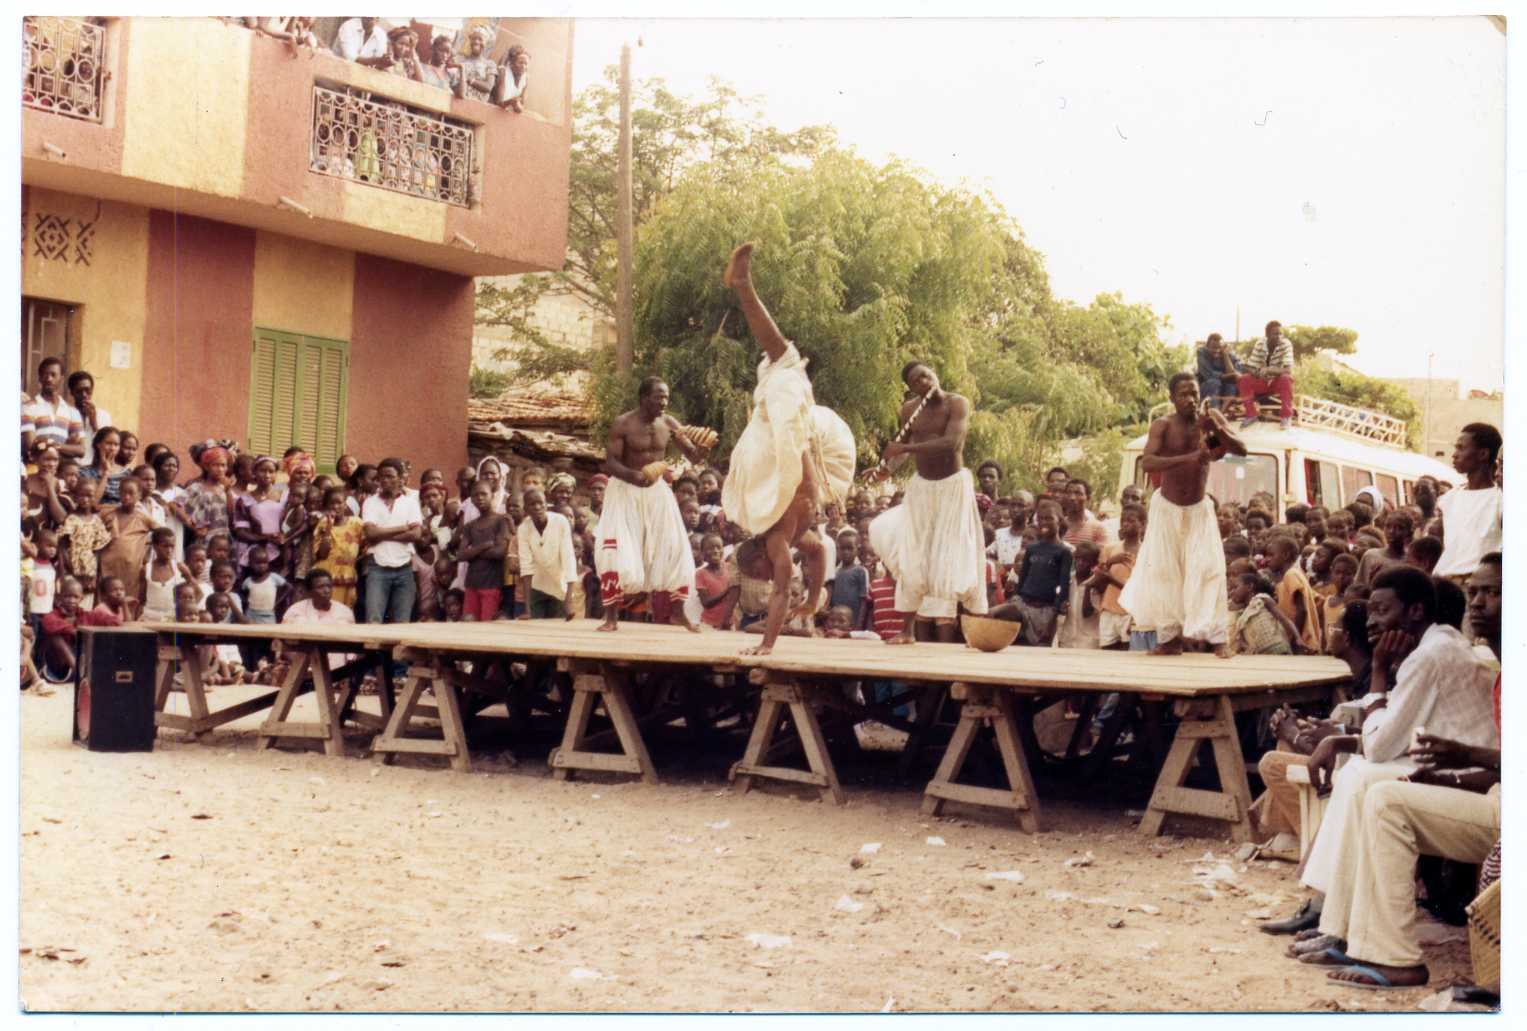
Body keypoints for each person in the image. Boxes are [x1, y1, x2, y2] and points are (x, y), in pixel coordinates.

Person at [1301, 555, 1502, 989]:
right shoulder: (1441, 647)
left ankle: (1385, 950)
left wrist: (1376, 674)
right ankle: (1340, 927)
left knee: (1376, 789)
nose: (1372, 623)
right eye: (1476, 594)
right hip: (1480, 785)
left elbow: (1379, 744)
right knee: (1362, 780)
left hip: (1490, 798)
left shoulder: (1431, 654)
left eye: (1382, 611)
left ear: (1415, 612)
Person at [719, 244, 858, 652]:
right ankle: (744, 289)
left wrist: (767, 644)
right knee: (784, 366)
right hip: (824, 446)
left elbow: (780, 593)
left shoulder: (777, 539)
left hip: (807, 445)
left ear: (758, 558)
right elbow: (817, 557)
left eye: (763, 572)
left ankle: (743, 287)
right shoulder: (798, 539)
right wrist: (813, 599)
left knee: (784, 359)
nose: (773, 575)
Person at [1119, 373, 1247, 656]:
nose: (1190, 399)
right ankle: (1169, 640)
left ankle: (1218, 639)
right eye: (1183, 394)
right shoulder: (1163, 425)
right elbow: (1149, 460)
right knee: (1165, 574)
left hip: (1199, 509)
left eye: (1194, 393)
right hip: (1167, 509)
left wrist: (1216, 429)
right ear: (1172, 398)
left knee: (1209, 570)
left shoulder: (1210, 418)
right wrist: (1190, 457)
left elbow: (1239, 449)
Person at [866, 360, 988, 643]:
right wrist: (885, 469)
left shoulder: (957, 404)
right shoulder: (909, 410)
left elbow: (952, 443)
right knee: (913, 552)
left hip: (953, 487)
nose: (923, 382)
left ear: (934, 373)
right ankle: (906, 631)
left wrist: (906, 447)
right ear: (910, 389)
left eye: (925, 375)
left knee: (960, 553)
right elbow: (900, 454)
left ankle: (977, 628)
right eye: (916, 382)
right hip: (922, 488)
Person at [595, 376, 713, 633]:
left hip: (657, 492)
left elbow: (692, 455)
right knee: (615, 549)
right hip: (625, 491)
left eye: (666, 397)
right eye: (658, 396)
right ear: (643, 398)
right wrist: (633, 475)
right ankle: (611, 617)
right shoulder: (623, 424)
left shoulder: (669, 423)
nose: (664, 402)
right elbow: (610, 463)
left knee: (675, 546)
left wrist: (702, 451)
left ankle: (678, 612)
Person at [1433, 423, 1502, 629]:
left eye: (1461, 448)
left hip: (1476, 590)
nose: (1454, 455)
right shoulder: (1449, 499)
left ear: (1482, 454)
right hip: (1443, 587)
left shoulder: (1500, 499)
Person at [995, 499, 1071, 646]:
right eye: (1041, 519)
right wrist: (1017, 597)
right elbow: (1023, 579)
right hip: (1023, 603)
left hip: (1045, 609)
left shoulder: (1063, 551)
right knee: (1001, 616)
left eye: (1049, 518)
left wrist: (1057, 610)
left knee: (1036, 646)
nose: (1044, 522)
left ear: (1059, 521)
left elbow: (1063, 585)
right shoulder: (1032, 549)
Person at [361, 458, 424, 624]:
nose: (385, 480)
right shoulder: (370, 502)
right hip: (378, 567)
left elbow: (416, 535)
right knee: (373, 619)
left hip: (404, 568)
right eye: (381, 477)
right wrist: (402, 528)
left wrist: (380, 534)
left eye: (390, 476)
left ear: (400, 479)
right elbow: (370, 533)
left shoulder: (410, 503)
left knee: (402, 622)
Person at [516, 488, 578, 620]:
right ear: (526, 508)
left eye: (540, 503)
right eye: (532, 504)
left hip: (560, 587)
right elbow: (526, 567)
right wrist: (527, 610)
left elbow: (568, 558)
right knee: (535, 630)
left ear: (546, 504)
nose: (537, 507)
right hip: (537, 587)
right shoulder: (523, 529)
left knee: (557, 631)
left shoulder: (560, 522)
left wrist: (568, 600)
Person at [1092, 501, 1144, 649]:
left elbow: (1138, 590)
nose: (1125, 524)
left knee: (1128, 651)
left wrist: (1111, 578)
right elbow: (1098, 580)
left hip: (1130, 612)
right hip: (1109, 609)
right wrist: (1109, 562)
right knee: (1106, 651)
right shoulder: (1110, 548)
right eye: (1123, 521)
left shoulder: (1145, 552)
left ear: (1142, 524)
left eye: (1131, 521)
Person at [456, 480, 510, 622]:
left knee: (487, 627)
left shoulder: (501, 521)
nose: (479, 498)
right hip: (471, 583)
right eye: (475, 495)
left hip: (491, 584)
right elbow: (460, 555)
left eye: (484, 494)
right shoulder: (469, 526)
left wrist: (472, 553)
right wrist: (484, 546)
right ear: (471, 500)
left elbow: (499, 552)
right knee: (469, 624)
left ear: (492, 495)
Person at [1267, 533, 1322, 653]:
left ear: (1285, 555)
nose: (1267, 559)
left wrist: (1295, 639)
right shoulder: (1295, 573)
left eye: (1271, 555)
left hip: (1301, 641)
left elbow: (1301, 610)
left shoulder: (1291, 575)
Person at [21, 356, 84, 461]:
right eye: (45, 375)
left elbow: (81, 450)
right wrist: (66, 447)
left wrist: (50, 444)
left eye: (53, 375)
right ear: (39, 378)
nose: (49, 379)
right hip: (35, 469)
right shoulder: (28, 407)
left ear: (62, 378)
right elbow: (31, 446)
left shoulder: (72, 411)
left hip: (63, 470)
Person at [313, 487, 366, 608]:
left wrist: (352, 560)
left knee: (345, 612)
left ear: (345, 504)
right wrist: (328, 528)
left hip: (347, 576)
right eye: (331, 503)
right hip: (327, 575)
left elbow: (366, 546)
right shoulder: (323, 524)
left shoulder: (356, 523)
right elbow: (322, 554)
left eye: (339, 503)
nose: (335, 507)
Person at [1238, 320, 1296, 429]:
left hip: (1276, 383)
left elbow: (1288, 370)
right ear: (1267, 335)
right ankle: (1251, 414)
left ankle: (1286, 417)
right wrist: (1258, 373)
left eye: (1280, 333)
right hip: (1262, 382)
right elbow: (1251, 366)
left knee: (1286, 378)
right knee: (1243, 379)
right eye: (1275, 334)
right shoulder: (1260, 344)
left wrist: (1270, 369)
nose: (1279, 336)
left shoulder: (1286, 344)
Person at [184, 441, 235, 547]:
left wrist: (228, 490)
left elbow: (231, 515)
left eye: (223, 465)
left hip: (223, 541)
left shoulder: (225, 489)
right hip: (204, 542)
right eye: (216, 465)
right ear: (207, 467)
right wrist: (192, 525)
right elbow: (174, 505)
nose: (220, 469)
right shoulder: (196, 487)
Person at [1351, 510, 1415, 595]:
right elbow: (1358, 589)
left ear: (1409, 533)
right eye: (1388, 526)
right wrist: (1372, 582)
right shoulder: (1371, 556)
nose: (1391, 531)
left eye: (1400, 528)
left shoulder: (1411, 561)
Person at [1057, 541, 1103, 649]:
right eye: (1078, 558)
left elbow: (1087, 612)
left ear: (1094, 563)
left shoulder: (1097, 584)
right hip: (1067, 640)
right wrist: (1062, 608)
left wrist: (1088, 586)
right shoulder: (1067, 581)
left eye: (1086, 560)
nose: (1080, 563)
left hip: (1088, 642)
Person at [141, 526, 192, 622]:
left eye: (172, 546)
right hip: (150, 618)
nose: (169, 550)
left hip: (173, 618)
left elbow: (196, 592)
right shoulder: (146, 569)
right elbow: (141, 599)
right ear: (155, 546)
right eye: (165, 546)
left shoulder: (179, 568)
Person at [828, 528, 871, 631]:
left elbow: (864, 600)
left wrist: (859, 625)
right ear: (837, 549)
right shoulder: (835, 571)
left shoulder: (860, 571)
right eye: (842, 549)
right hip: (836, 622)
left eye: (850, 548)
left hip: (853, 622)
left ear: (858, 549)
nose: (846, 552)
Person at [66, 369, 110, 467]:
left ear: (92, 390)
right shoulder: (65, 414)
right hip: (70, 467)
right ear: (71, 392)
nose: (84, 395)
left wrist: (94, 423)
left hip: (94, 468)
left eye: (87, 390)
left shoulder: (103, 415)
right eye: (79, 391)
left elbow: (107, 447)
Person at [77, 426, 125, 505]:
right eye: (108, 443)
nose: (112, 448)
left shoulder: (126, 473)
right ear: (98, 445)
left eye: (116, 445)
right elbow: (92, 503)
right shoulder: (85, 472)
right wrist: (106, 473)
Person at [240, 546, 288, 625]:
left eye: (265, 562)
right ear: (250, 564)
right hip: (251, 614)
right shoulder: (248, 581)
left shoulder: (273, 577)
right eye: (258, 563)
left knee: (269, 634)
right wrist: (246, 602)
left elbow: (288, 587)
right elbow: (241, 592)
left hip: (268, 614)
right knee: (250, 634)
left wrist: (277, 602)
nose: (262, 566)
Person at [1196, 333, 1242, 410]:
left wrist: (1225, 355)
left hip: (1224, 388)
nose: (1217, 350)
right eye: (1213, 348)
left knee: (1232, 386)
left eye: (1219, 347)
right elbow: (1209, 375)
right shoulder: (1202, 352)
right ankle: (1214, 410)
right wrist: (1231, 375)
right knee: (1214, 382)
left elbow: (1235, 376)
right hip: (1208, 387)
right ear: (1207, 347)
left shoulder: (1228, 354)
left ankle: (1222, 412)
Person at [1060, 479, 1109, 550]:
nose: (1072, 497)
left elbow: (1102, 556)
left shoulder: (1098, 528)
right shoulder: (1057, 526)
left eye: (1078, 493)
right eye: (1069, 493)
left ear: (1088, 497)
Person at [457, 25, 499, 103]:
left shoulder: (490, 64)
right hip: (458, 102)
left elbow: (488, 87)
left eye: (480, 39)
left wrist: (469, 80)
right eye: (474, 38)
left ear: (486, 43)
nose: (476, 42)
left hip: (478, 107)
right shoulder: (461, 60)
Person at [495, 43, 529, 112]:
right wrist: (510, 102)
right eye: (520, 62)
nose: (523, 66)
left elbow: (521, 105)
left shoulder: (525, 78)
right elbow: (498, 102)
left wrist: (518, 106)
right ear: (511, 64)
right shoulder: (504, 74)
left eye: (526, 64)